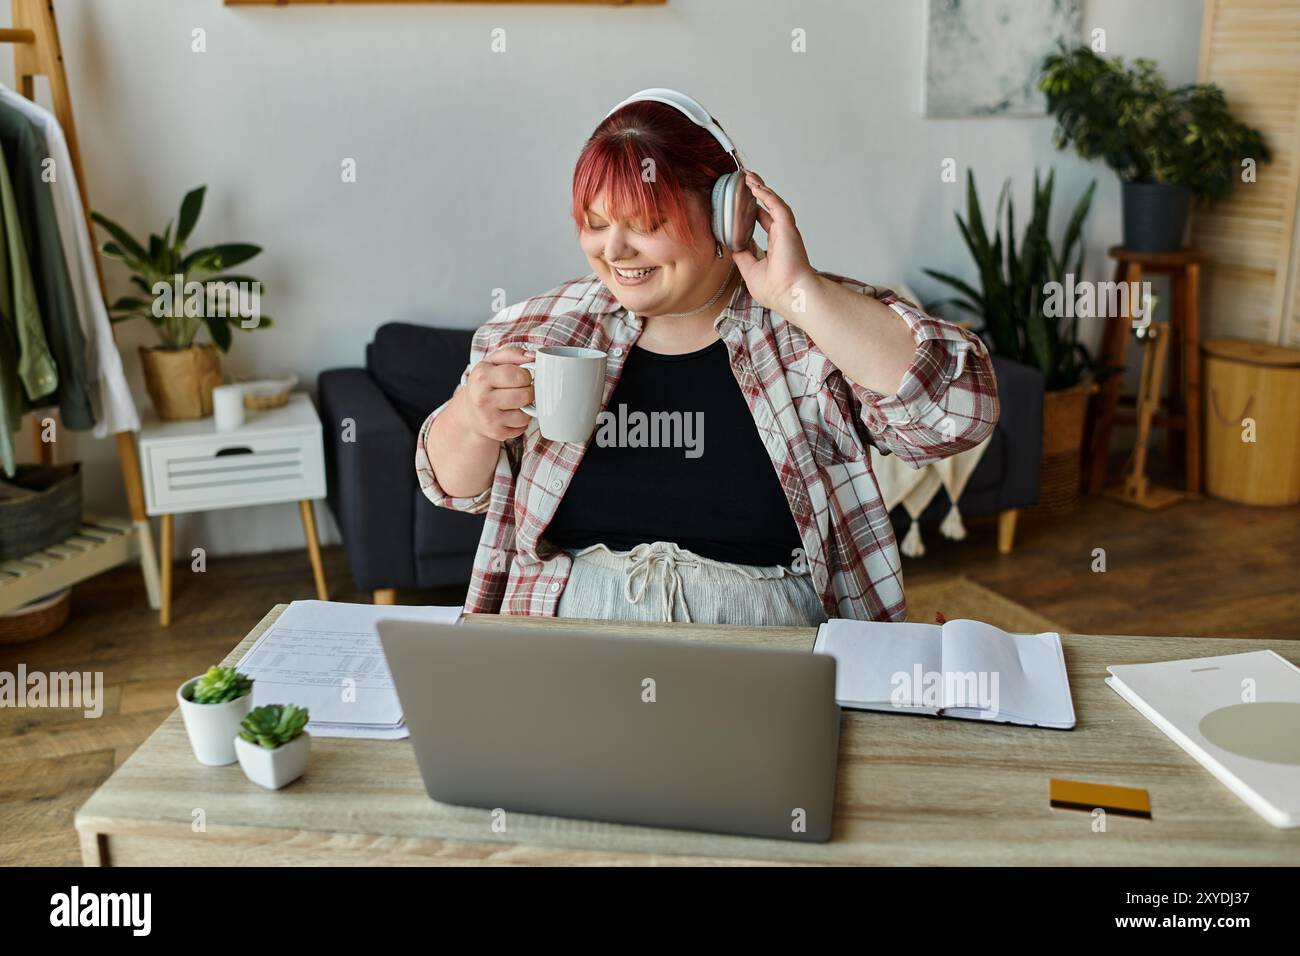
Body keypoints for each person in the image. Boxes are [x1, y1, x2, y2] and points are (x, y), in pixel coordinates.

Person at [417, 90, 998, 625]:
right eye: (595, 225)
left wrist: (802, 295)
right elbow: (453, 490)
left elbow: (957, 415)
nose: (614, 250)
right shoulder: (542, 328)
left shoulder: (807, 329)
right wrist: (471, 419)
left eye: (645, 224)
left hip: (769, 654)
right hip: (570, 645)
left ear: (729, 214)